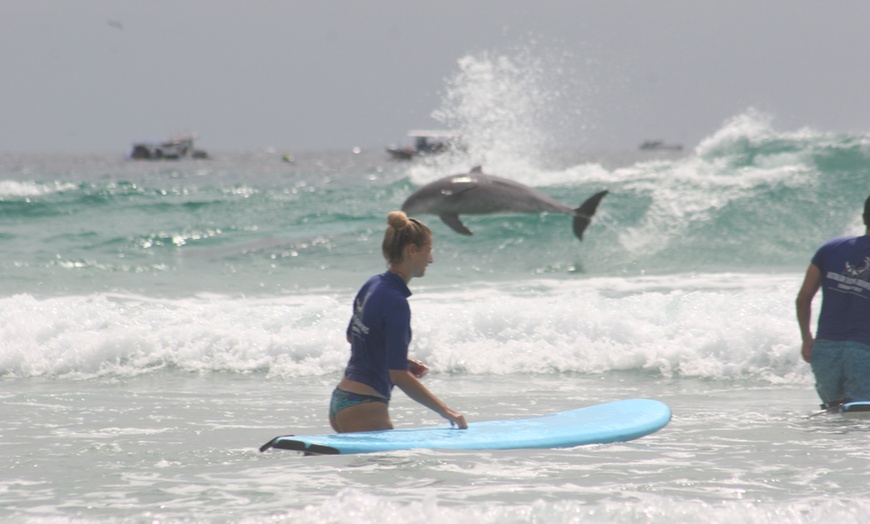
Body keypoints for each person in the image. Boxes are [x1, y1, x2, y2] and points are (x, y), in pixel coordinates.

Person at [329, 211, 467, 433]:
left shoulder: (372, 284)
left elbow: (353, 336)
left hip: (343, 399)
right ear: (412, 250)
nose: (430, 259)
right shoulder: (396, 301)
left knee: (370, 468)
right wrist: (446, 411)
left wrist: (399, 359)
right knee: (388, 467)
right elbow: (399, 377)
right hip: (365, 407)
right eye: (428, 251)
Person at [796, 194, 870, 408]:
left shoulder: (831, 248)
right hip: (865, 350)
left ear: (864, 218)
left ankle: (827, 444)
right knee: (861, 417)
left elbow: (803, 298)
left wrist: (807, 338)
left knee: (835, 414)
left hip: (826, 348)